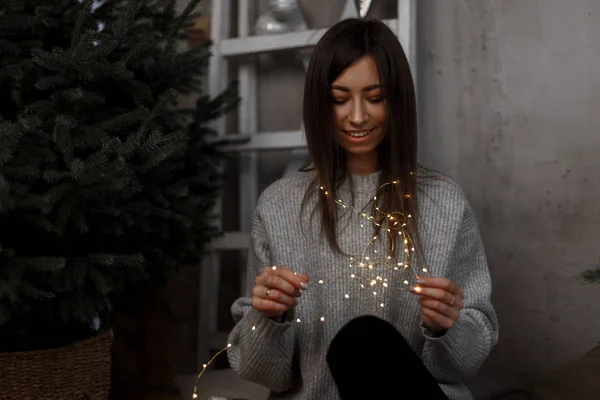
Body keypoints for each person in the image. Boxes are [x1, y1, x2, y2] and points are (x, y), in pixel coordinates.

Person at [226, 17, 499, 400]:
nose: (357, 116)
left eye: (375, 98)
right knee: (358, 340)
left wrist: (446, 328)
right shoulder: (279, 206)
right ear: (320, 104)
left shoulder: (444, 202)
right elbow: (268, 376)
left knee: (365, 340)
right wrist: (269, 319)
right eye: (340, 100)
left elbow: (463, 364)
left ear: (398, 100)